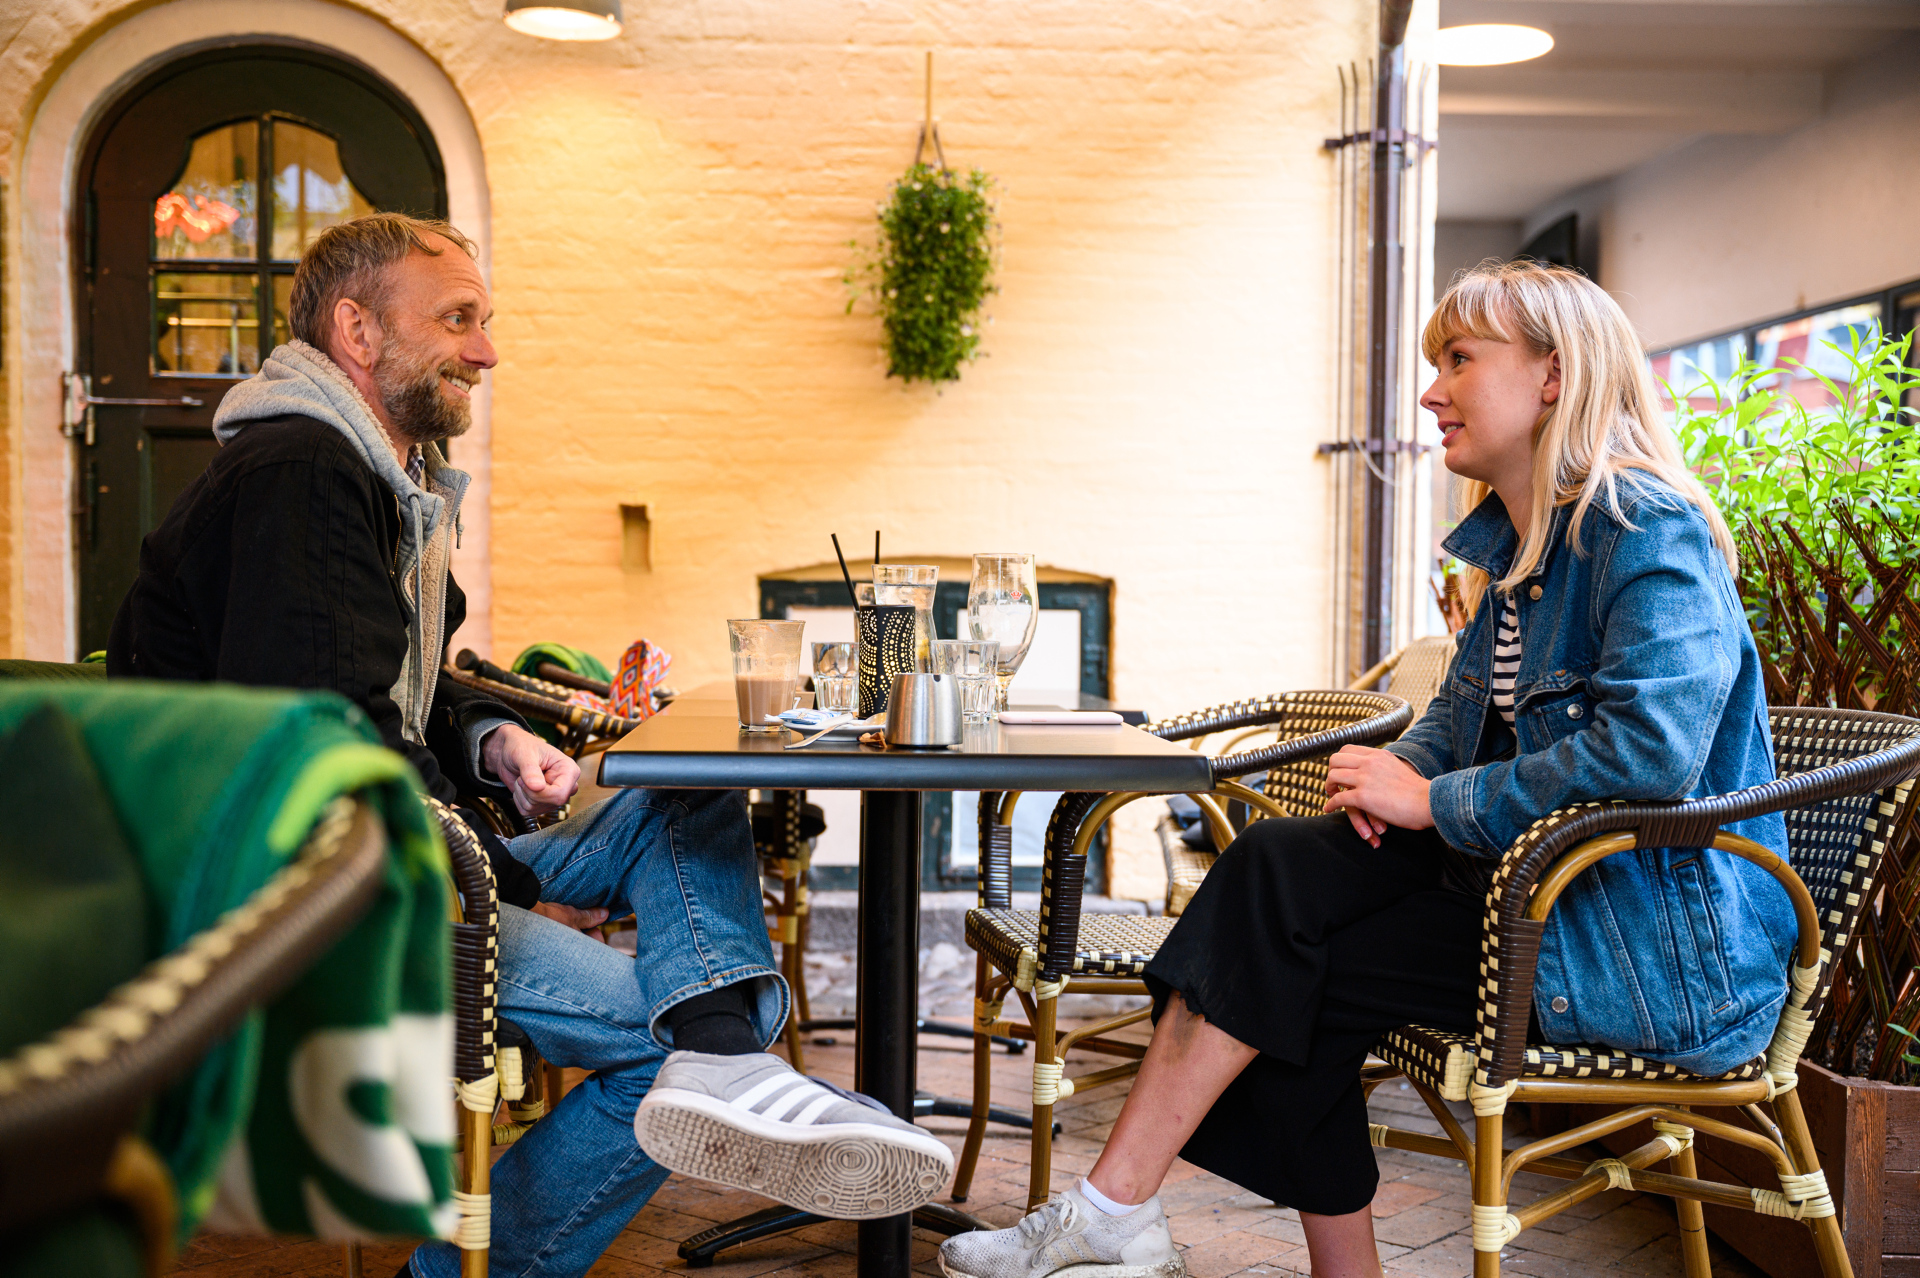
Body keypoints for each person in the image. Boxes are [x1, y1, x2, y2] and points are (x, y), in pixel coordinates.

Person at [108, 213, 953, 1278]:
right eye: (458, 320)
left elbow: (391, 678)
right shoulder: (302, 474)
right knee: (661, 1047)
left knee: (687, 795)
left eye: (486, 322)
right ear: (357, 331)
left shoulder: (372, 477)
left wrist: (494, 732)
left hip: (396, 856)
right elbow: (335, 746)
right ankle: (708, 1070)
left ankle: (730, 1057)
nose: (488, 351)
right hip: (304, 900)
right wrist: (509, 883)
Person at [938, 260, 1794, 1278]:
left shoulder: (1646, 530)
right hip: (1533, 902)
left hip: (1638, 955)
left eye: (1460, 361)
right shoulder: (1523, 553)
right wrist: (1383, 776)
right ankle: (1113, 1213)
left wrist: (1433, 800)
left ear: (1554, 375)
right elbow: (1457, 717)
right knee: (1277, 876)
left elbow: (1649, 755)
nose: (1432, 392)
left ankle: (1117, 1213)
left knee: (1282, 970)